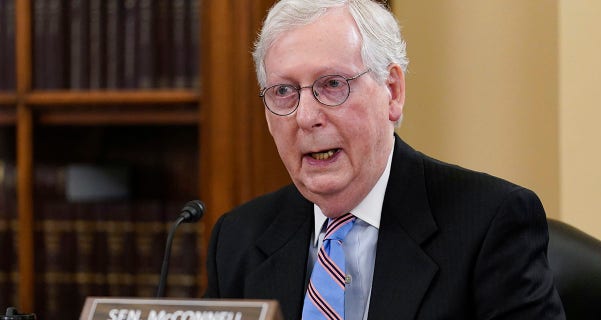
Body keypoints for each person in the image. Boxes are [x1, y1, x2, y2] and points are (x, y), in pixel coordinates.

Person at [203, 0, 566, 319]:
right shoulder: (237, 239)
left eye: (332, 85)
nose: (305, 116)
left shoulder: (489, 223)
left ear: (392, 91)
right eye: (283, 91)